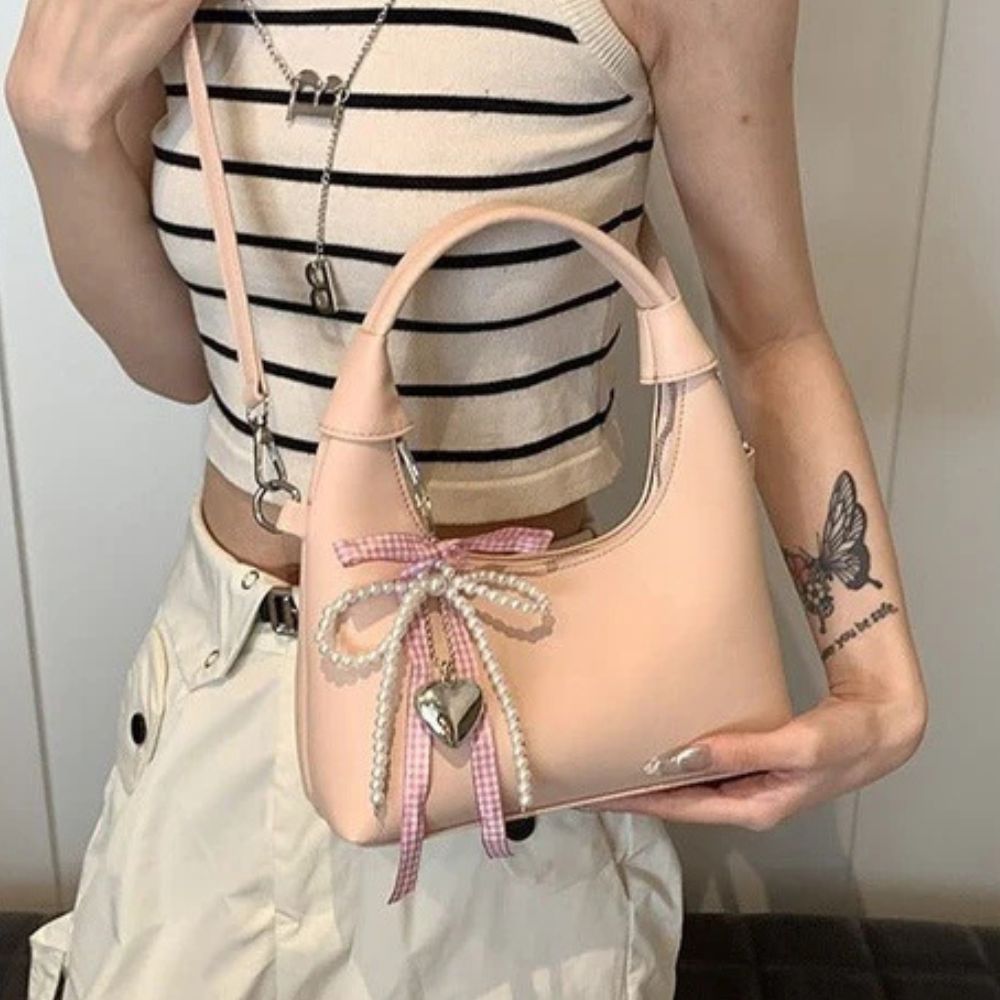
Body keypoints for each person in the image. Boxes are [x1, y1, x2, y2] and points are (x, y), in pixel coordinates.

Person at [5, 1, 927, 997]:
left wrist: (874, 676)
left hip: (514, 721)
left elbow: (771, 333)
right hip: (221, 694)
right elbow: (181, 365)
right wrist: (57, 127)